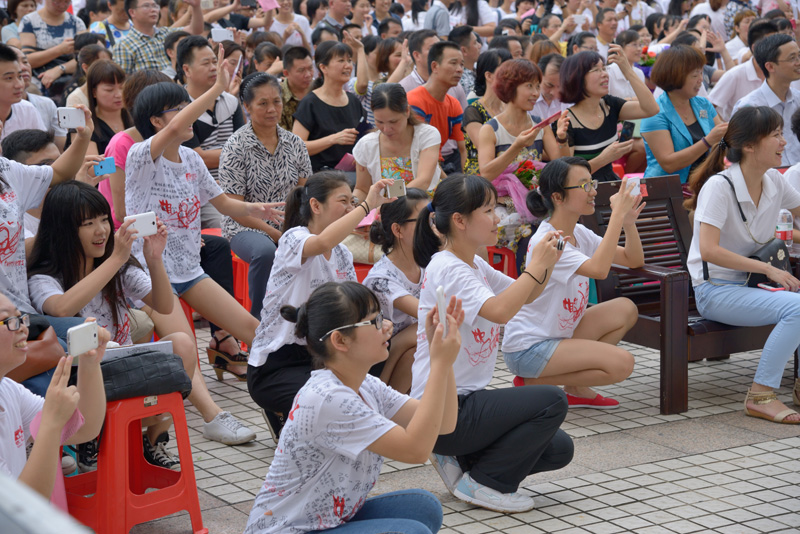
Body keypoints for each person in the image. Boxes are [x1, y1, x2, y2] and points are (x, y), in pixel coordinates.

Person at [125, 50, 281, 443]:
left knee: (252, 328)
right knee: (186, 348)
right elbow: (183, 119)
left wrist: (257, 209)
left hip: (188, 269)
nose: (189, 116)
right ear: (158, 122)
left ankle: (287, 392)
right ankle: (213, 417)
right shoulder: (141, 157)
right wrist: (215, 88)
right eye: (177, 110)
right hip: (149, 271)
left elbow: (224, 204)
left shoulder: (192, 159)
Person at [244, 281, 461, 534]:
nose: (387, 327)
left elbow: (445, 423)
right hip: (291, 530)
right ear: (340, 340)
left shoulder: (366, 384)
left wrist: (445, 363)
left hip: (326, 521)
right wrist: (438, 362)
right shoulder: (328, 399)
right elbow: (416, 450)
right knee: (410, 531)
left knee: (424, 508)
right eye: (375, 321)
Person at [412, 174, 573, 513]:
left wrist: (546, 263)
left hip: (465, 402)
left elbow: (526, 295)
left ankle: (464, 462)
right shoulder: (450, 268)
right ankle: (485, 483)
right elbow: (500, 312)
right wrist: (537, 267)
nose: (497, 216)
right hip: (445, 406)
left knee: (558, 448)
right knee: (553, 400)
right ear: (459, 220)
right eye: (489, 209)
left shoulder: (472, 262)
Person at [26, 181, 195, 469]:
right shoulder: (45, 278)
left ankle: (150, 439)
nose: (102, 230)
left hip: (123, 366)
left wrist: (154, 259)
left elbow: (165, 305)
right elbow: (62, 307)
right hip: (86, 379)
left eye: (104, 219)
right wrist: (117, 257)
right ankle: (93, 440)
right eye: (88, 223)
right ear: (63, 230)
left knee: (182, 343)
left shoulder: (119, 266)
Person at [247, 171, 394, 436]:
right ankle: (286, 413)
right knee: (336, 406)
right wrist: (367, 205)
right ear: (316, 205)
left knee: (380, 339)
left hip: (324, 356)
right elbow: (323, 241)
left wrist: (379, 325)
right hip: (279, 365)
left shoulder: (341, 253)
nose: (351, 209)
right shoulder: (294, 238)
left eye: (353, 202)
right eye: (344, 202)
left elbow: (352, 309)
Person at [684, 105, 800, 424]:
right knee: (799, 308)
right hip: (717, 290)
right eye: (775, 135)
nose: (784, 142)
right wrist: (769, 269)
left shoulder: (774, 182)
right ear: (749, 145)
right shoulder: (720, 187)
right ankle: (761, 395)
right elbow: (708, 250)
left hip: (755, 286)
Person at [503, 157, 640, 408]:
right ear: (558, 197)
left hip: (559, 335)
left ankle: (575, 387)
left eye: (592, 183)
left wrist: (628, 224)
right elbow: (599, 270)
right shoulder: (551, 240)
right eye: (584, 185)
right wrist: (616, 216)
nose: (594, 191)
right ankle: (533, 383)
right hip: (530, 347)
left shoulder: (578, 232)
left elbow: (632, 259)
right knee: (622, 364)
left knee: (625, 308)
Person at [220, 72, 312, 319]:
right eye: (263, 103)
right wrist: (276, 234)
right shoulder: (236, 146)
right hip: (245, 226)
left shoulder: (295, 143)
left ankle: (303, 317)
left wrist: (297, 229)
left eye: (277, 101)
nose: (272, 109)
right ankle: (260, 322)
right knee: (265, 252)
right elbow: (233, 208)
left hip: (288, 225)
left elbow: (304, 193)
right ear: (247, 107)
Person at [0, 291, 107, 499]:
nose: (23, 327)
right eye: (9, 320)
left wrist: (90, 363)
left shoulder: (8, 389)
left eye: (21, 317)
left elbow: (85, 428)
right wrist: (51, 423)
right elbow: (22, 508)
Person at [363, 189, 429, 394]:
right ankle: (386, 406)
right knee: (425, 335)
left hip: (410, 349)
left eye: (433, 218)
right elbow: (430, 314)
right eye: (424, 220)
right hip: (376, 360)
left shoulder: (426, 263)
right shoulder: (382, 278)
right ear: (398, 230)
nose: (433, 227)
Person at [176, 35, 245, 228]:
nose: (214, 68)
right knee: (226, 227)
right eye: (206, 63)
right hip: (201, 190)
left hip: (236, 183)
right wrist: (234, 153)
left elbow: (245, 147)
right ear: (186, 70)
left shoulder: (231, 102)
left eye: (215, 61)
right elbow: (199, 158)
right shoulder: (180, 108)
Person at [559, 48, 659, 181]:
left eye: (604, 68)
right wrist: (605, 158)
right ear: (577, 78)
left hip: (610, 183)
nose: (605, 74)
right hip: (585, 190)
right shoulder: (567, 121)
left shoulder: (609, 105)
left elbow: (651, 109)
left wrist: (627, 71)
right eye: (596, 70)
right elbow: (569, 175)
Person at [641, 45, 728, 186]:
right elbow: (669, 163)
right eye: (695, 75)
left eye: (701, 73)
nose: (701, 79)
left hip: (704, 184)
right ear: (675, 76)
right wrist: (707, 141)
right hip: (667, 190)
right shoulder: (656, 113)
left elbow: (724, 139)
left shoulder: (703, 104)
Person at [478, 59, 570, 181]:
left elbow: (563, 165)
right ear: (509, 87)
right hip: (502, 198)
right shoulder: (491, 129)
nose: (536, 93)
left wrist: (562, 138)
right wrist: (517, 146)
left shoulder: (540, 125)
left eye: (538, 86)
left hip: (535, 196)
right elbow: (486, 174)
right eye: (529, 86)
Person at [293, 42, 366, 184]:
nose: (348, 65)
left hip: (353, 174)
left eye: (349, 60)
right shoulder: (310, 103)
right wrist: (333, 139)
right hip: (322, 178)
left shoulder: (353, 101)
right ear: (323, 67)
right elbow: (296, 146)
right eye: (341, 61)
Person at [353, 83, 442, 199]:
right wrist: (352, 204)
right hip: (384, 212)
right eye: (379, 122)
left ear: (407, 111)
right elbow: (362, 189)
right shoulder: (366, 145)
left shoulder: (427, 135)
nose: (386, 129)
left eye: (393, 122)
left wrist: (391, 203)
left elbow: (423, 181)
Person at [731, 33, 800, 167]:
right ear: (770, 67)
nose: (798, 62)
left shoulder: (798, 99)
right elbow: (740, 157)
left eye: (799, 56)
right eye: (792, 58)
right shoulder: (749, 107)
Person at [407, 41, 467, 173]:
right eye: (453, 63)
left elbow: (464, 149)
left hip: (438, 165)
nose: (459, 69)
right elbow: (421, 152)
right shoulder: (414, 101)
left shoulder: (453, 104)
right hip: (413, 167)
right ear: (434, 66)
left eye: (462, 64)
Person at [709, 19, 777, 121]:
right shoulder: (735, 75)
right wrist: (725, 129)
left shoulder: (783, 72)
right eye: (772, 46)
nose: (777, 50)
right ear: (755, 48)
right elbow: (708, 106)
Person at [111, 0, 203, 74]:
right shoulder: (123, 46)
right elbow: (124, 83)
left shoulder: (166, 33)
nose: (153, 10)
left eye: (155, 6)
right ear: (132, 12)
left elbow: (195, 30)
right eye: (146, 6)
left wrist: (196, 7)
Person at [19, 0, 86, 97]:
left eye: (67, 2)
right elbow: (28, 60)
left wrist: (60, 69)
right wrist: (59, 50)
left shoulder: (77, 23)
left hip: (71, 80)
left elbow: (85, 58)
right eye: (57, 2)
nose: (62, 5)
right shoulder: (29, 21)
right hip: (38, 80)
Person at [462, 50, 508, 174]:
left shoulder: (511, 107)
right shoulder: (473, 111)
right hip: (481, 179)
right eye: (505, 70)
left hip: (511, 171)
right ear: (489, 76)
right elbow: (488, 151)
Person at [83, 59, 133, 156]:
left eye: (122, 88)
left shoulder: (134, 116)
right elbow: (93, 168)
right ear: (94, 92)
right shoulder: (87, 125)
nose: (118, 94)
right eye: (109, 90)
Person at [65, 44, 111, 109]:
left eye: (109, 63)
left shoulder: (119, 91)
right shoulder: (76, 98)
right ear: (86, 68)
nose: (108, 67)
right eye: (100, 64)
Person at [279, 46, 313, 131]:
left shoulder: (320, 90)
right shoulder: (277, 96)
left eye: (310, 68)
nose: (308, 75)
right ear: (286, 73)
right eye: (301, 70)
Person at [534, 53, 569, 119]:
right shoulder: (528, 100)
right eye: (549, 85)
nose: (553, 92)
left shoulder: (570, 101)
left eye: (559, 87)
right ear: (539, 77)